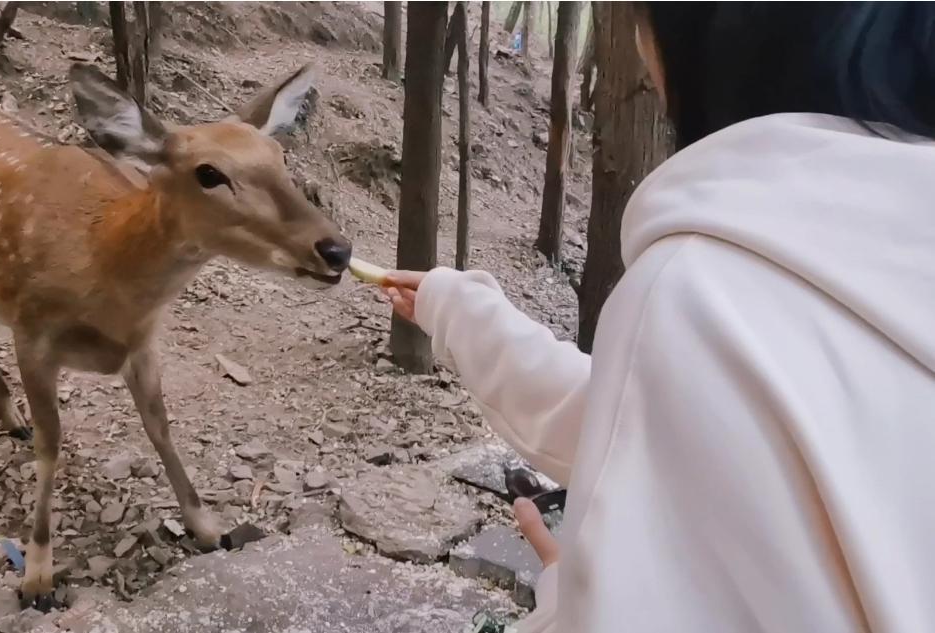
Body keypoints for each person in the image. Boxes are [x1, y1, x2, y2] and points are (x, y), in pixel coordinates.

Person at [383, 3, 935, 632]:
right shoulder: (874, 257)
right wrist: (457, 309)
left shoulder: (701, 290)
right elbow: (640, 419)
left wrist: (570, 595)